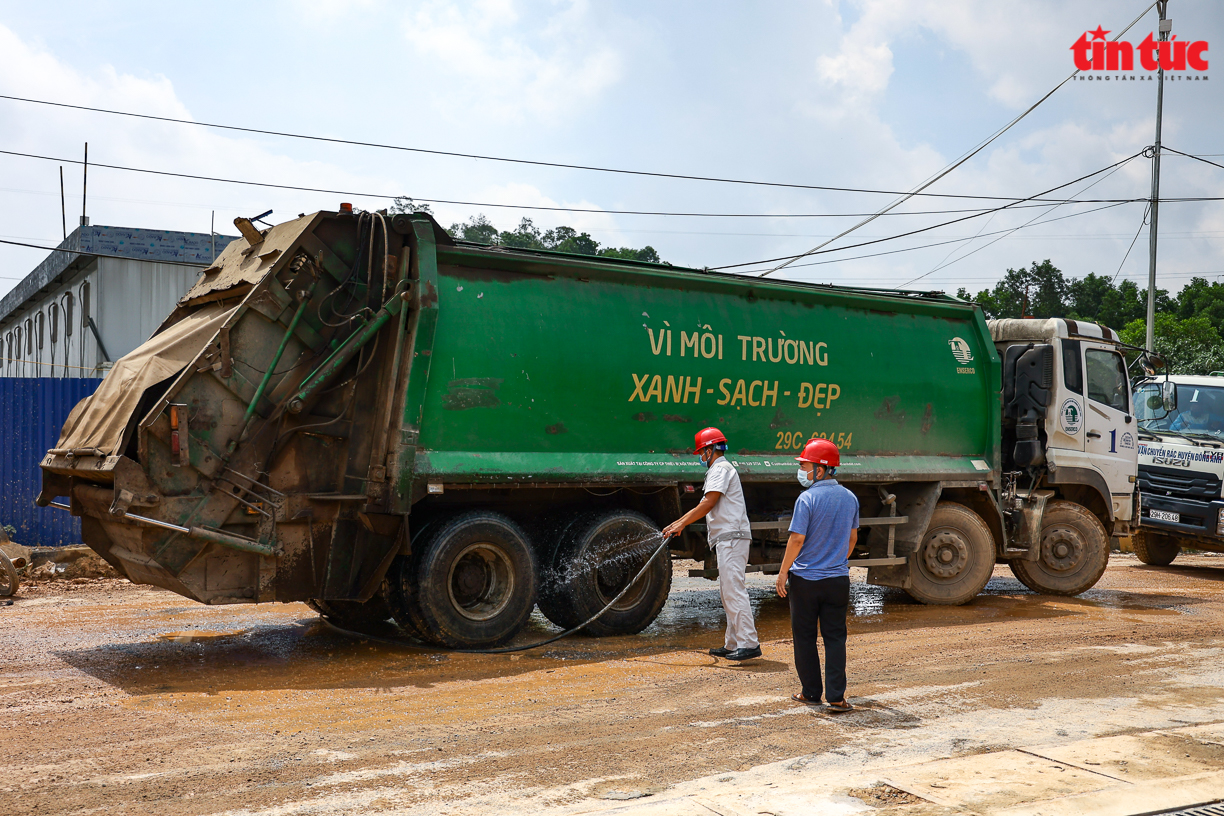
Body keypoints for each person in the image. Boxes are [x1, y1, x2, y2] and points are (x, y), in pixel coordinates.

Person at [663, 427, 761, 661]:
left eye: (701, 452)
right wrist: (677, 522)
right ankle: (733, 643)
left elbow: (708, 502)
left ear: (709, 450)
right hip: (728, 538)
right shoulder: (721, 469)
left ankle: (749, 643)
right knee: (729, 591)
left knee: (733, 591)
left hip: (732, 538)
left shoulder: (720, 469)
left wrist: (681, 524)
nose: (700, 456)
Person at [777, 438, 858, 712]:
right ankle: (837, 697)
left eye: (805, 465)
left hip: (805, 582)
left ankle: (811, 693)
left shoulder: (807, 498)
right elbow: (852, 538)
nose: (802, 470)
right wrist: (835, 561)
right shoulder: (850, 498)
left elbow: (797, 539)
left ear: (821, 470)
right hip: (837, 580)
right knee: (835, 637)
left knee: (804, 637)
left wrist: (782, 572)